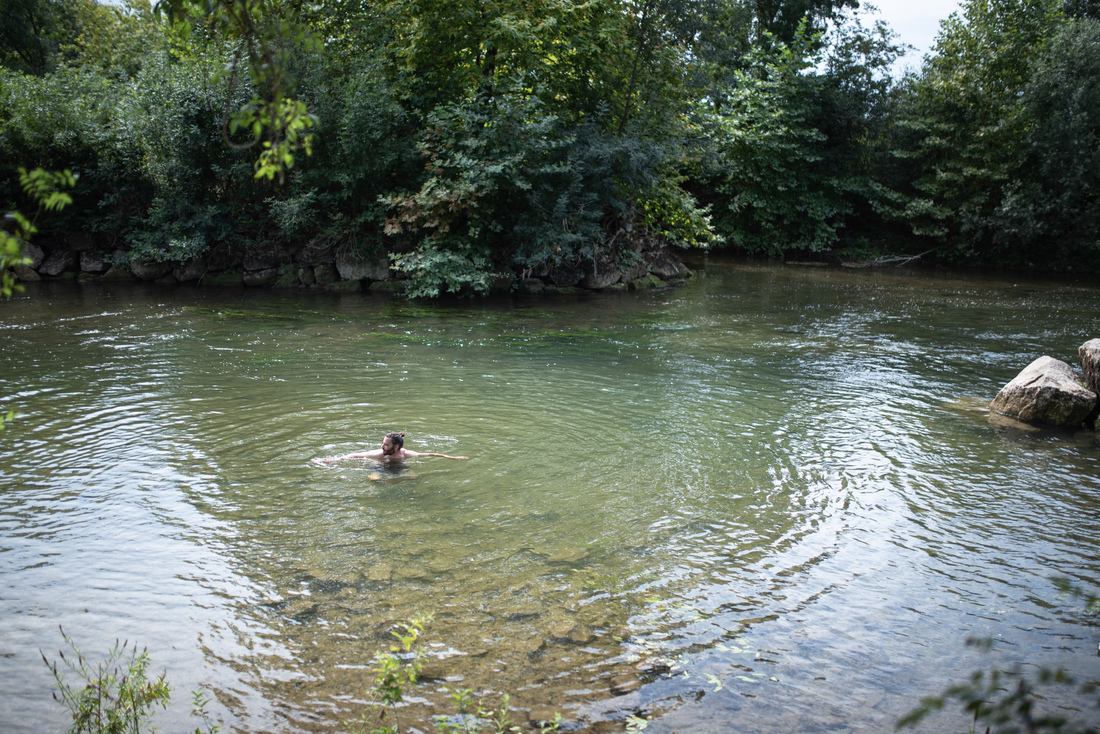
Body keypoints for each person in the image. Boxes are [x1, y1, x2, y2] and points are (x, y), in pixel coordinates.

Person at [316, 431, 468, 464]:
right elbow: (355, 455)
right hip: (380, 467)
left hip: (398, 467)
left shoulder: (405, 454)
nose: (382, 446)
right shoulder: (379, 454)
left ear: (397, 446)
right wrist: (334, 460)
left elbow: (430, 454)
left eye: (386, 444)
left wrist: (453, 457)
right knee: (376, 478)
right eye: (383, 443)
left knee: (412, 477)